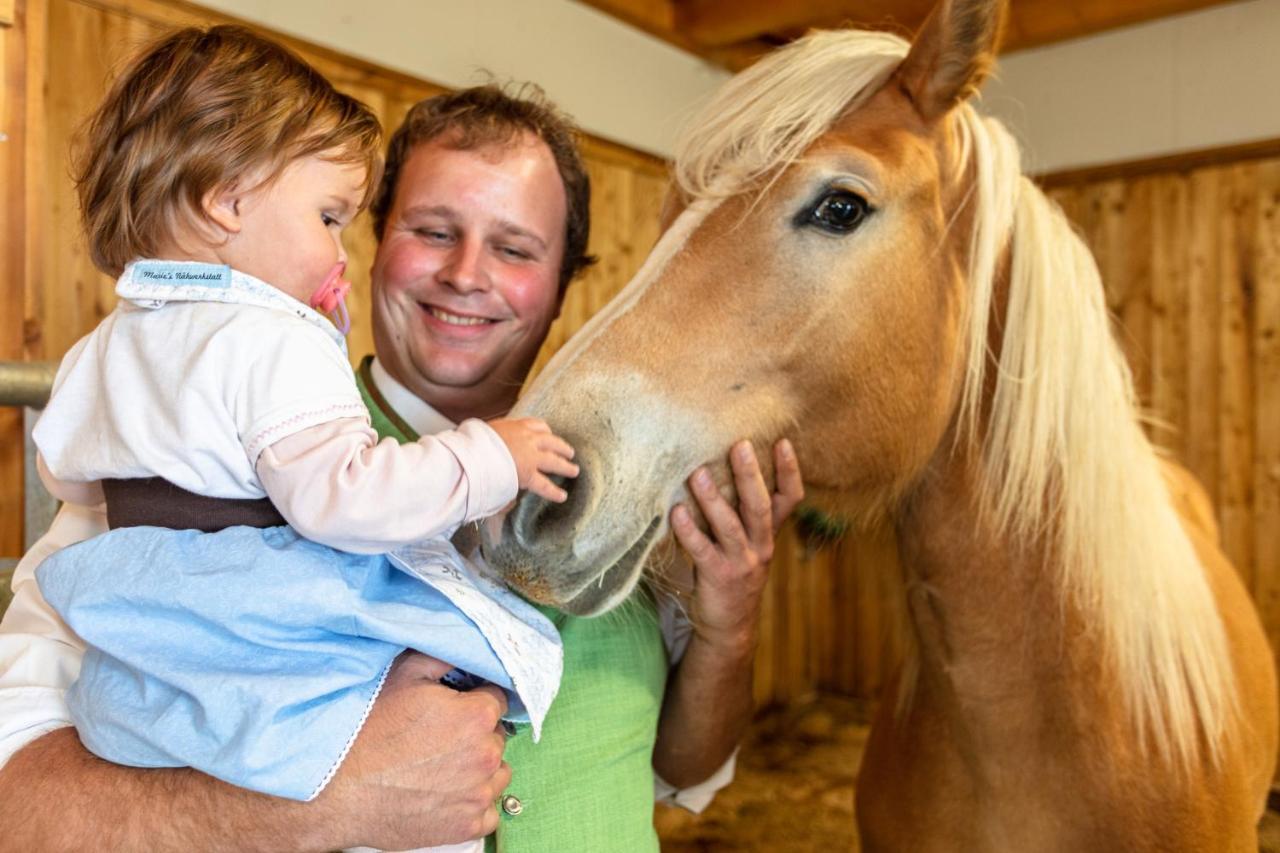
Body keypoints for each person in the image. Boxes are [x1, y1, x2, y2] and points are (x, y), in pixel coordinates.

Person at [0, 78, 804, 853]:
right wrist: (328, 804)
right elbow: (18, 809)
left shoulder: (632, 489)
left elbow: (682, 771)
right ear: (370, 245)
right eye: (433, 230)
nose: (465, 274)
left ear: (561, 287)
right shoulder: (187, 455)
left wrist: (727, 626)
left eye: (515, 248)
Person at [30, 25, 583, 812]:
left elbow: (68, 473)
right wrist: (491, 455)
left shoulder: (107, 342)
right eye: (329, 217)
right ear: (227, 201)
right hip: (273, 635)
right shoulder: (273, 338)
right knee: (478, 643)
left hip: (148, 656)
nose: (338, 254)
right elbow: (343, 498)